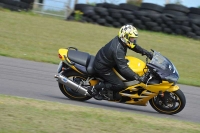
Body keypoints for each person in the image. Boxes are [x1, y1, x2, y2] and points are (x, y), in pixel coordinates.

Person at [87, 24, 153, 100]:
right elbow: (124, 68)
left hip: (109, 61)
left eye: (133, 38)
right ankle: (94, 89)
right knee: (119, 85)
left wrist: (146, 53)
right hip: (102, 66)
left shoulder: (123, 41)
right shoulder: (118, 50)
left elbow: (134, 46)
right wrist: (138, 77)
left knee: (127, 76)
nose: (133, 40)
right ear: (125, 37)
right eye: (132, 38)